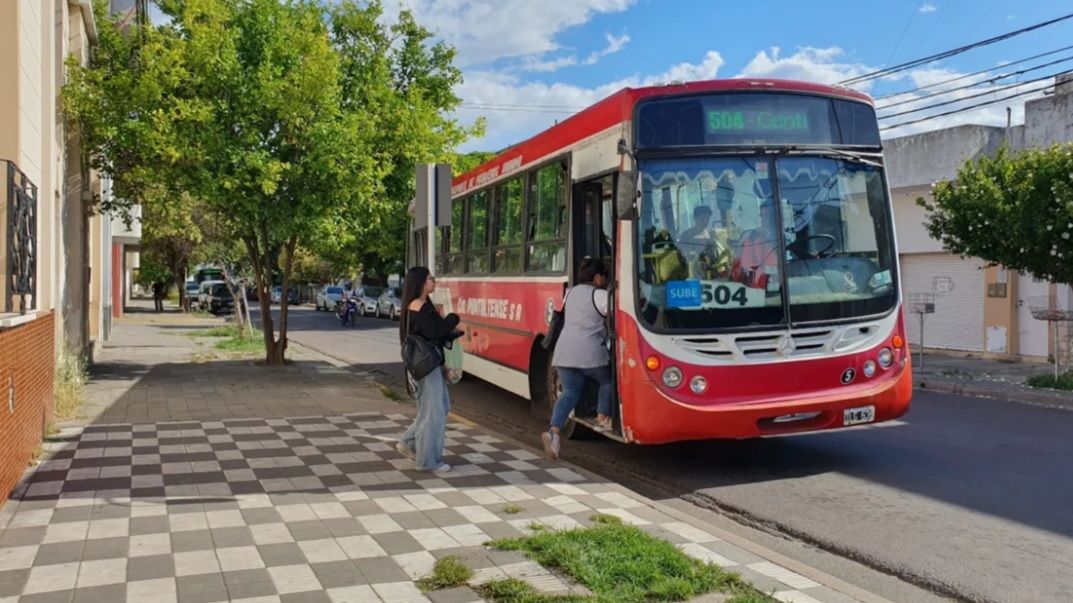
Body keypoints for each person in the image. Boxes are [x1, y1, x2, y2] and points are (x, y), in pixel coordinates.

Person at [541, 258, 612, 460]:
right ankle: (602, 417)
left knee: (570, 394)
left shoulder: (570, 292)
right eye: (604, 277)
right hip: (588, 352)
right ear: (597, 278)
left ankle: (553, 432)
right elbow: (616, 314)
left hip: (564, 352)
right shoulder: (600, 295)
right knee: (607, 381)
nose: (605, 281)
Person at [397, 267, 461, 473]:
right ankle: (427, 461)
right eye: (430, 278)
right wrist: (453, 318)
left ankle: (409, 442)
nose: (434, 281)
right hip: (426, 367)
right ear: (421, 283)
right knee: (432, 412)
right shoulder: (418, 305)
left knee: (439, 407)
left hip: (430, 364)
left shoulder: (423, 304)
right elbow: (435, 331)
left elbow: (434, 335)